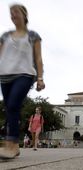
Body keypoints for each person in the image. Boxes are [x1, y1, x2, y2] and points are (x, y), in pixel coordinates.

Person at [0, 4, 45, 159]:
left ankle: (11, 144)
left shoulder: (33, 35)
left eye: (16, 12)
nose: (13, 15)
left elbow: (38, 58)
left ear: (24, 15)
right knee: (9, 108)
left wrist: (40, 78)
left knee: (13, 105)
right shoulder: (5, 36)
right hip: (5, 75)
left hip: (25, 74)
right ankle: (14, 146)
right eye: (10, 13)